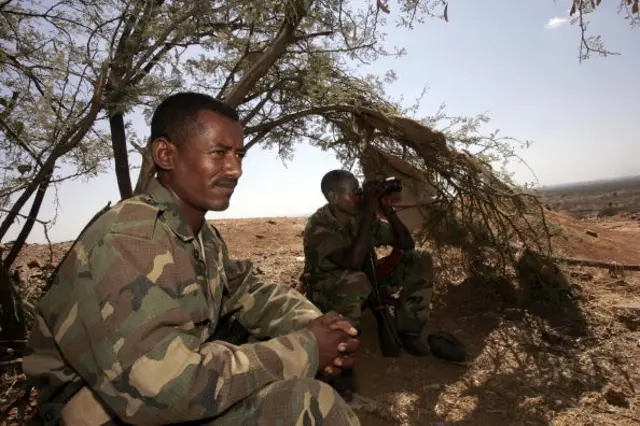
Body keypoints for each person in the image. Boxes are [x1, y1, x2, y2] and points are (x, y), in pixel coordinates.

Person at [22, 93, 362, 425]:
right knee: (310, 404)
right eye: (219, 153)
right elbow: (163, 389)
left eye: (239, 155)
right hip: (110, 409)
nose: (235, 170)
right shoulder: (128, 240)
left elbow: (250, 291)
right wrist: (307, 348)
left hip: (157, 390)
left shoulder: (201, 235)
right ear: (166, 155)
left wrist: (318, 326)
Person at [302, 169, 465, 360]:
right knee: (358, 280)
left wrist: (389, 212)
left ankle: (409, 331)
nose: (359, 197)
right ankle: (338, 349)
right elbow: (352, 262)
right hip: (327, 291)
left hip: (364, 279)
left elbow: (406, 243)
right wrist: (369, 210)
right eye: (353, 193)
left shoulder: (360, 217)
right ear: (333, 197)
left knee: (419, 258)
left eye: (359, 191)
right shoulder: (319, 226)